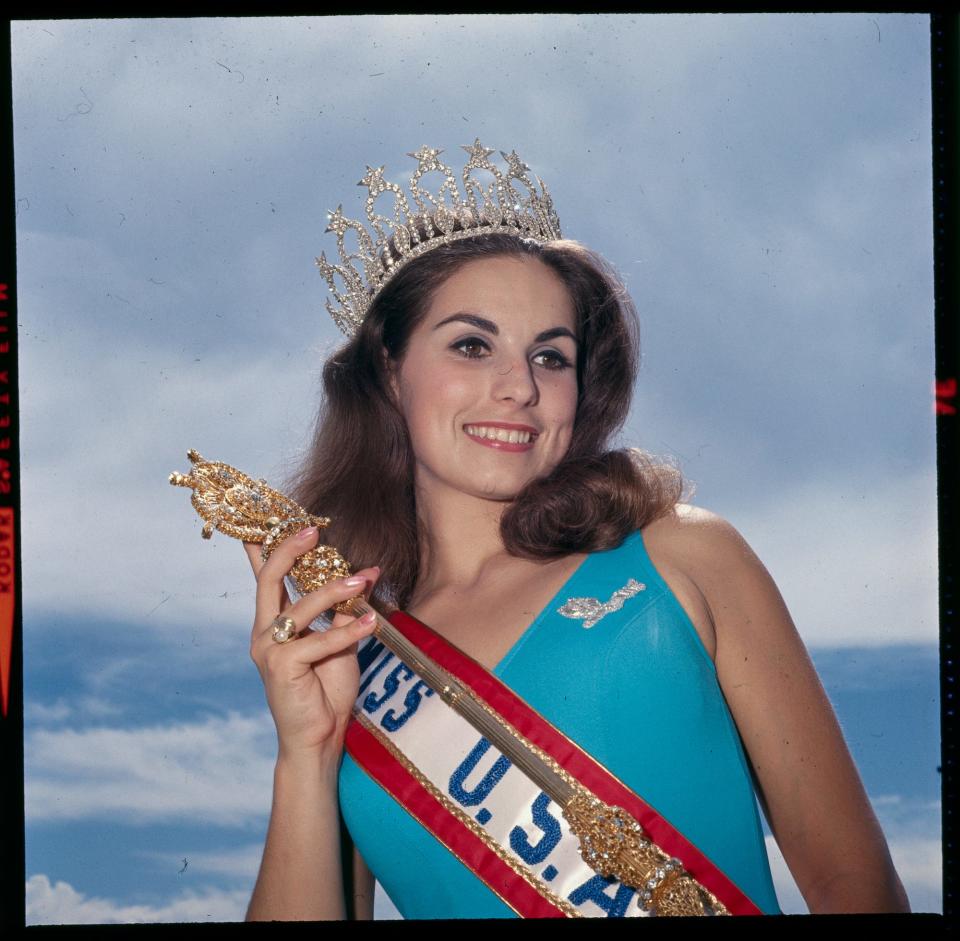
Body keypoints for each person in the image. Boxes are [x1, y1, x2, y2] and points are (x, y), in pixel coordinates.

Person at [241, 142, 909, 919]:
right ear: (389, 369)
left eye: (551, 357)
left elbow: (854, 888)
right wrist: (307, 754)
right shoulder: (356, 662)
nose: (519, 387)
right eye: (471, 344)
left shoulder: (682, 554)